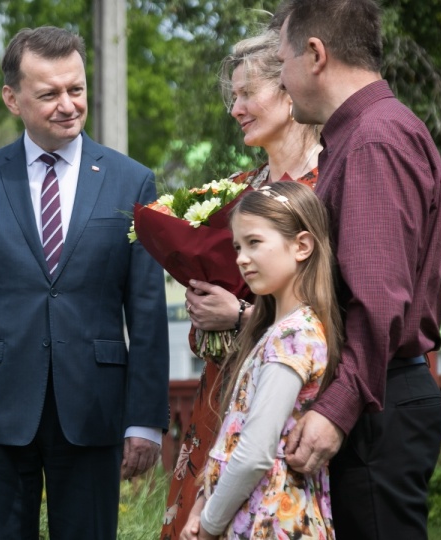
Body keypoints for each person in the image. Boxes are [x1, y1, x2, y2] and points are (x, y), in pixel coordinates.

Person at [0, 26, 169, 540]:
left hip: (95, 410)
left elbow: (146, 309)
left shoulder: (133, 181)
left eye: (76, 89)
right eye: (49, 93)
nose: (68, 105)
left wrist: (145, 420)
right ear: (12, 99)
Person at [275, 0, 441, 538]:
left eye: (281, 62)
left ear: (315, 54)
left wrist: (337, 408)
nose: (282, 82)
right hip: (376, 393)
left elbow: (376, 301)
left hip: (374, 400)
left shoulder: (374, 140)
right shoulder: (367, 134)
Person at [162, 28, 321, 539]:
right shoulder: (239, 189)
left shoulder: (327, 186)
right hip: (219, 396)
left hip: (287, 402)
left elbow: (335, 309)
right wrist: (204, 300)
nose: (236, 107)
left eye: (248, 93)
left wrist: (241, 316)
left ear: (290, 90)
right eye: (233, 95)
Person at [180, 181, 340, 540]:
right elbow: (234, 437)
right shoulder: (276, 330)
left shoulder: (294, 334)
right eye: (238, 246)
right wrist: (203, 500)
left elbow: (254, 452)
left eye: (254, 243)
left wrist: (208, 524)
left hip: (271, 522)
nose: (240, 257)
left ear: (301, 246)